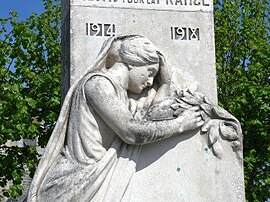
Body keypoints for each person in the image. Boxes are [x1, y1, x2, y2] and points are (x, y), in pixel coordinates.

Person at [27, 35, 203, 202]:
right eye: (149, 72)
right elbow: (132, 132)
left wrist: (165, 84)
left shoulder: (122, 99)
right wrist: (180, 124)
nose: (150, 82)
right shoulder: (97, 84)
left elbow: (150, 117)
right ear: (133, 62)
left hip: (94, 177)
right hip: (75, 181)